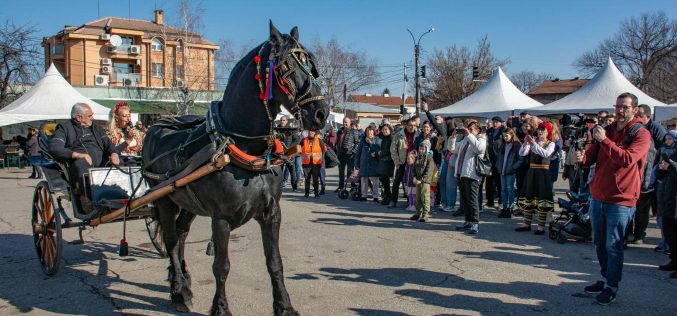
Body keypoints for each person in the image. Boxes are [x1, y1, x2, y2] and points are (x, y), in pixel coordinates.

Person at [576, 92, 651, 305]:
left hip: (622, 198)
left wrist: (605, 141)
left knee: (613, 244)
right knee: (599, 242)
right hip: (598, 194)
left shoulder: (641, 133)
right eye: (617, 106)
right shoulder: (607, 130)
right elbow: (592, 156)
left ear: (634, 110)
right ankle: (604, 277)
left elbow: (627, 159)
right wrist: (583, 156)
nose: (619, 110)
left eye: (624, 107)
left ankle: (611, 286)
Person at [49, 103, 120, 212]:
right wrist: (78, 155)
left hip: (102, 162)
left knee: (125, 164)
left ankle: (123, 196)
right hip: (80, 164)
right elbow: (55, 148)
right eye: (89, 115)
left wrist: (114, 154)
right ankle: (85, 199)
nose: (93, 118)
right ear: (78, 117)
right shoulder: (64, 128)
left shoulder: (96, 128)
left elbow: (108, 144)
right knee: (80, 165)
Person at [515, 122, 555, 235]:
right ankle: (526, 224)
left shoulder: (551, 144)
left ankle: (541, 226)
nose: (540, 132)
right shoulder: (534, 142)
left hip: (543, 173)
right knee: (529, 195)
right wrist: (525, 143)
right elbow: (522, 153)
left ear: (548, 132)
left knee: (542, 198)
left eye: (543, 130)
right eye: (539, 130)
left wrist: (533, 144)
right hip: (532, 172)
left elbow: (545, 154)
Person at [450, 120, 486, 235]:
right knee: (464, 199)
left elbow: (479, 149)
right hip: (462, 173)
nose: (468, 131)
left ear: (478, 130)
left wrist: (469, 135)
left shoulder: (481, 139)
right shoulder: (466, 140)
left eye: (472, 129)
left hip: (472, 174)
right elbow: (453, 149)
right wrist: (453, 138)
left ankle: (475, 223)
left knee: (472, 200)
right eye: (468, 129)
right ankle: (468, 221)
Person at [656, 136, 677, 278]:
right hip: (669, 197)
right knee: (669, 231)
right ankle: (674, 261)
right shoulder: (674, 153)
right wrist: (663, 168)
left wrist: (671, 166)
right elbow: (660, 176)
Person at [389, 118, 419, 209]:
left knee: (410, 182)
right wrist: (396, 161)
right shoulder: (399, 135)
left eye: (414, 125)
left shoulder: (418, 135)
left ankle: (410, 201)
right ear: (406, 125)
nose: (412, 127)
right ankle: (393, 200)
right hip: (402, 161)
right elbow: (393, 149)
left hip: (413, 162)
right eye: (410, 125)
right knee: (397, 181)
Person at [496, 128, 523, 218]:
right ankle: (504, 207)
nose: (505, 138)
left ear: (512, 135)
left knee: (510, 189)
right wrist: (498, 166)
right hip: (502, 170)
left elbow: (520, 159)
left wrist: (513, 167)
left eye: (506, 136)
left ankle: (510, 208)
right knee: (503, 190)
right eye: (503, 136)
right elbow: (499, 157)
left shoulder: (517, 145)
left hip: (510, 171)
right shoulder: (503, 145)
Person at [410, 139, 435, 222]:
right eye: (420, 148)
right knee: (418, 197)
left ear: (427, 149)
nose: (421, 150)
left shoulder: (429, 159)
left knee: (425, 197)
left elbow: (429, 171)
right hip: (418, 181)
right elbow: (413, 168)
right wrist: (414, 177)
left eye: (423, 148)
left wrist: (422, 180)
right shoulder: (418, 158)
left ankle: (425, 214)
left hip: (425, 182)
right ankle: (418, 213)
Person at [354, 126, 381, 202]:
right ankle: (364, 195)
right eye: (368, 131)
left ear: (374, 132)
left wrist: (375, 151)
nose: (369, 132)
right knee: (364, 180)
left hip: (374, 163)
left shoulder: (378, 140)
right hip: (364, 163)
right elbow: (358, 154)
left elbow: (380, 152)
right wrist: (357, 164)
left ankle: (376, 196)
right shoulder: (362, 141)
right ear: (366, 132)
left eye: (371, 131)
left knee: (375, 180)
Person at [485, 116, 505, 208]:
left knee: (499, 182)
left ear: (501, 122)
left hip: (499, 159)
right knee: (489, 182)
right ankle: (490, 201)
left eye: (497, 122)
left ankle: (501, 201)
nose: (495, 123)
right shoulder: (489, 131)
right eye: (493, 122)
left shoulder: (504, 131)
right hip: (490, 159)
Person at [336, 117, 360, 191]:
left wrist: (353, 152)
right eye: (344, 122)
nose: (345, 123)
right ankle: (341, 187)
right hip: (341, 155)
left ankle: (353, 187)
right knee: (341, 172)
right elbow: (337, 142)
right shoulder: (339, 131)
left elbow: (358, 143)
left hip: (350, 155)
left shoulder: (354, 131)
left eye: (346, 122)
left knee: (351, 172)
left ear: (350, 123)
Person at [277, 116, 300, 192]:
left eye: (284, 120)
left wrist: (290, 147)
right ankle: (278, 187)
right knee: (279, 170)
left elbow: (297, 139)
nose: (282, 121)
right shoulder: (278, 129)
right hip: (279, 153)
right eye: (281, 120)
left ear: (286, 121)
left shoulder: (290, 130)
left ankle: (294, 187)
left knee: (292, 170)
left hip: (289, 153)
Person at [301, 129, 325, 198]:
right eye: (310, 131)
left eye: (312, 131)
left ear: (315, 132)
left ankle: (316, 193)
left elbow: (323, 149)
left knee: (315, 179)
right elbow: (299, 148)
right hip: (306, 164)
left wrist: (318, 157)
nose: (311, 132)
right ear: (308, 132)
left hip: (316, 163)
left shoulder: (319, 140)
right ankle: (306, 193)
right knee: (307, 179)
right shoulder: (303, 140)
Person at [376, 124, 394, 205]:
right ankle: (387, 196)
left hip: (389, 161)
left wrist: (381, 153)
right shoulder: (384, 138)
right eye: (383, 129)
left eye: (386, 129)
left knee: (386, 180)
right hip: (383, 161)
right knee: (384, 180)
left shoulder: (391, 138)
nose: (384, 131)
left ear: (390, 130)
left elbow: (391, 150)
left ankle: (388, 197)